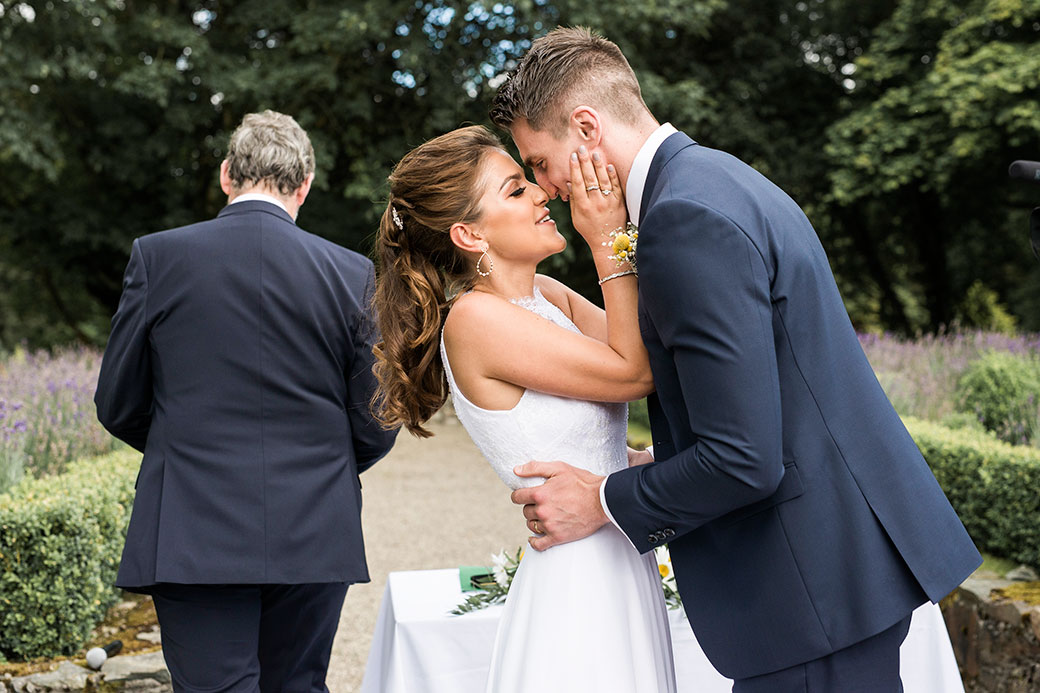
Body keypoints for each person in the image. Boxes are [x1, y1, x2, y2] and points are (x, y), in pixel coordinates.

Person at [492, 27, 982, 692]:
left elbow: (744, 457)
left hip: (809, 592)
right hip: (833, 576)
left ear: (585, 126)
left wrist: (601, 499)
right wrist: (659, 459)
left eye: (540, 162)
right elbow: (765, 399)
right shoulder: (713, 178)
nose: (545, 188)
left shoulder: (682, 221)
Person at [94, 110, 397, 692]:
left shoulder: (157, 258)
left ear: (228, 174)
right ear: (304, 186)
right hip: (313, 522)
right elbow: (377, 417)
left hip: (190, 524)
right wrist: (321, 463)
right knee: (297, 686)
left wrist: (180, 447)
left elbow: (117, 401)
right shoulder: (351, 272)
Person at [371, 125, 676, 692]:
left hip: (618, 553)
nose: (540, 194)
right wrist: (608, 238)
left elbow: (653, 352)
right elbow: (634, 373)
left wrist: (652, 463)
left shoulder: (549, 296)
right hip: (578, 577)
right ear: (469, 234)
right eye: (515, 190)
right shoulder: (475, 321)